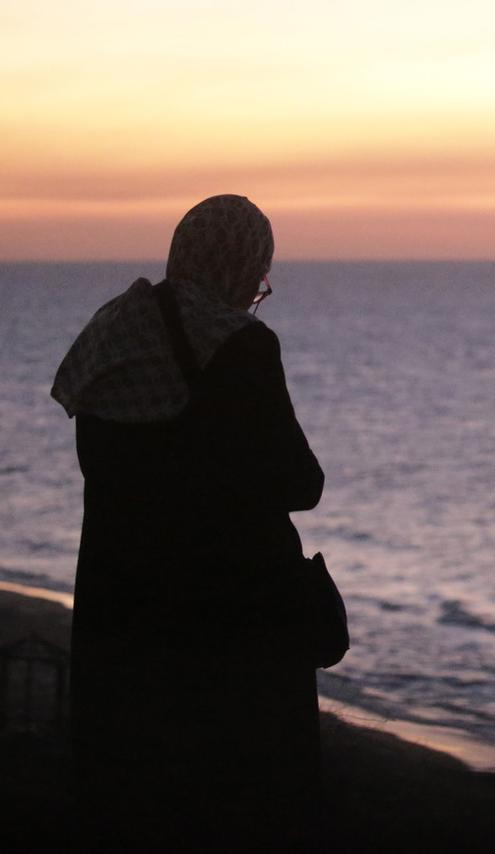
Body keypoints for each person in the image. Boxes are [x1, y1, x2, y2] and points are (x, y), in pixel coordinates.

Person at [51, 195, 325, 852]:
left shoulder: (113, 329)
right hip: (226, 620)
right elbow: (300, 482)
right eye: (259, 280)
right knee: (236, 800)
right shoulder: (239, 345)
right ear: (243, 267)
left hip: (118, 608)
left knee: (134, 799)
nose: (257, 296)